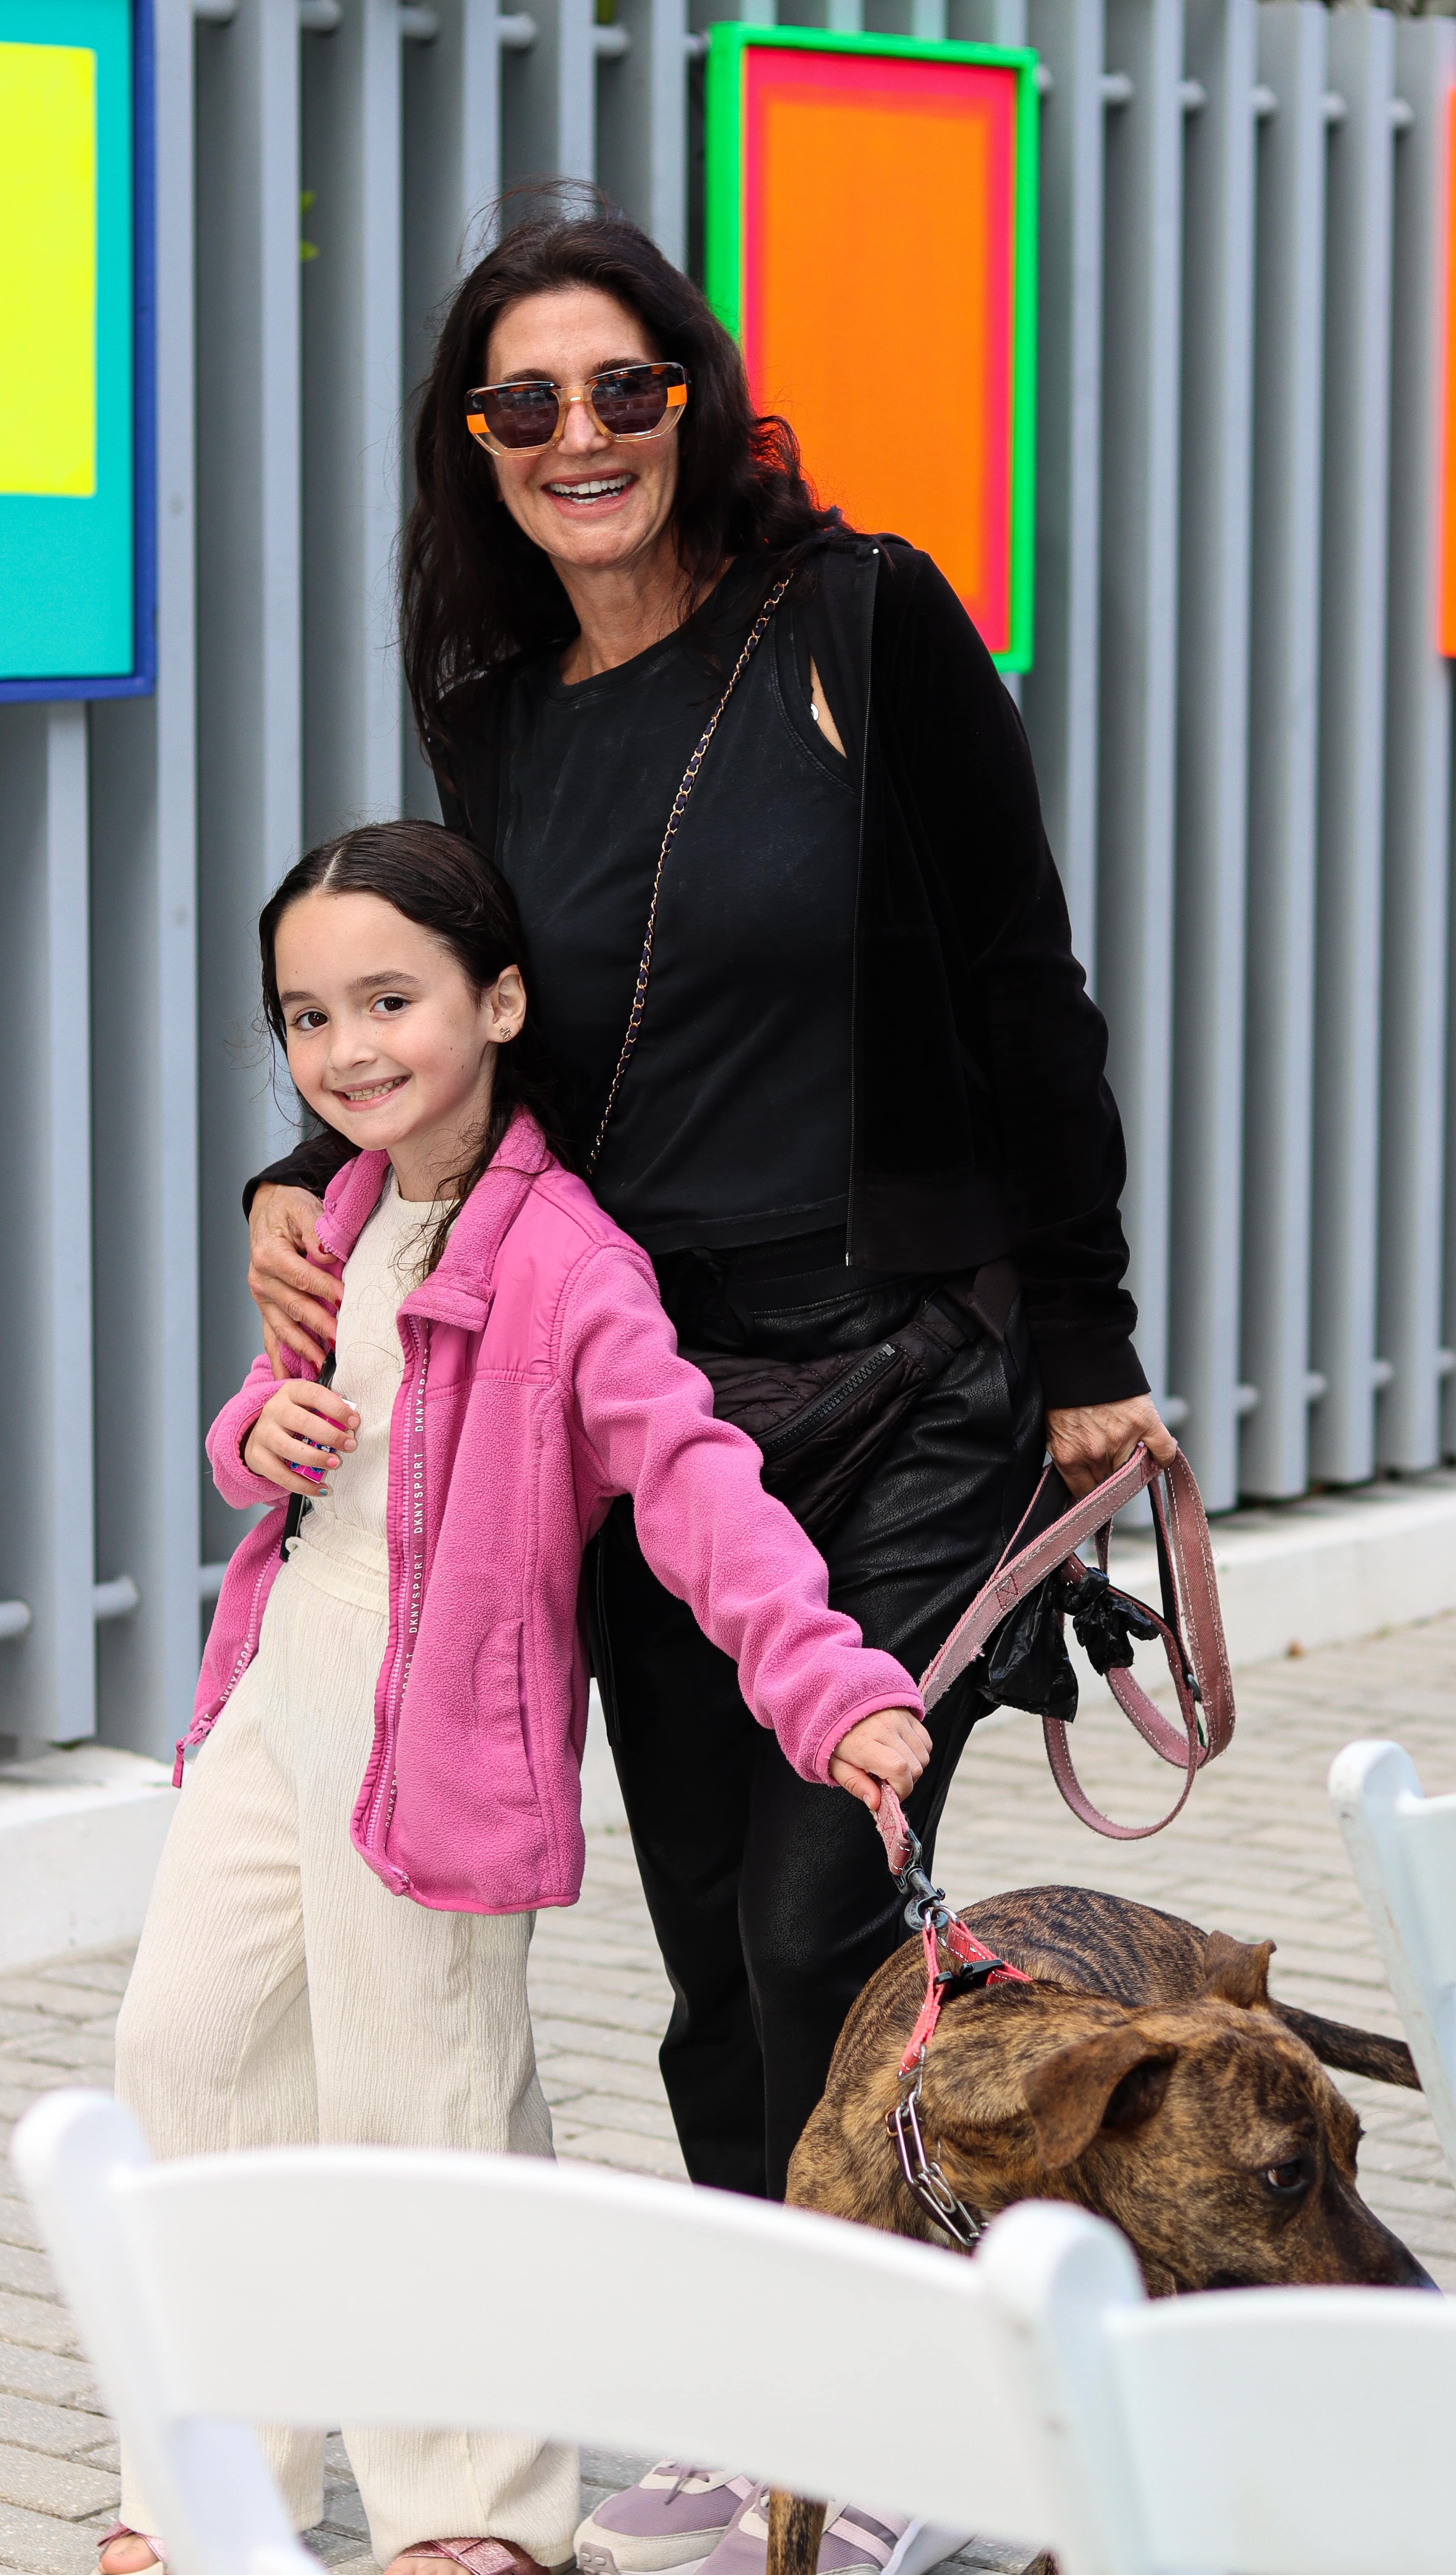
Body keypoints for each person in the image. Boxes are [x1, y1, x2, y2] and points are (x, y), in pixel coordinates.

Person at [242, 211, 1170, 2574]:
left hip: (915, 1379)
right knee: (697, 1948)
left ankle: (913, 2418)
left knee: (817, 1920)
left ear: (696, 394)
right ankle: (780, 2396)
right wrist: (297, 1169)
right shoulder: (503, 711)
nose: (582, 439)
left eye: (623, 387)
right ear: (479, 448)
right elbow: (454, 1018)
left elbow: (1027, 992)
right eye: (524, 405)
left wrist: (1088, 1358)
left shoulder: (866, 625)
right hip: (638, 1410)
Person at [99, 823, 931, 2575]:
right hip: (275, 1694)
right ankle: (215, 2475)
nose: (346, 1053)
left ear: (496, 998)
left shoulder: (564, 1261)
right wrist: (260, 1432)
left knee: (434, 2108)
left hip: (440, 1741)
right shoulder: (337, 1208)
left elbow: (697, 1482)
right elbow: (265, 1437)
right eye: (306, 1018)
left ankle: (470, 2517)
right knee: (186, 2047)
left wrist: (828, 1684)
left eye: (388, 1001)